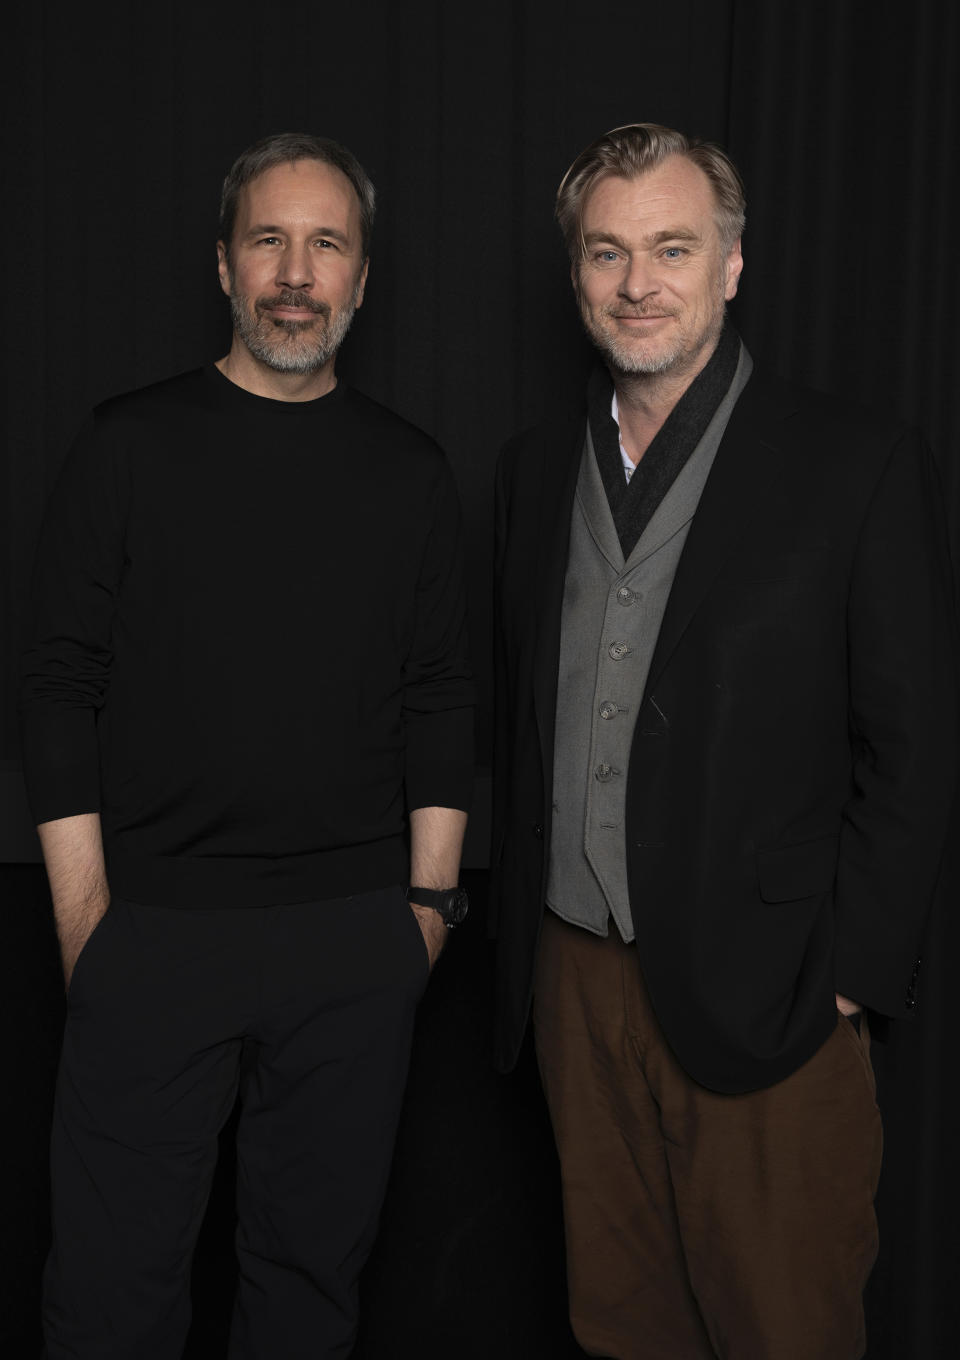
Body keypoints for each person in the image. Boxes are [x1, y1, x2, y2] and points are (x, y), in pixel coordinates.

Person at [491, 122, 956, 1359]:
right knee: (620, 1323)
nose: (638, 282)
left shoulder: (854, 463)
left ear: (733, 264)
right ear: (577, 273)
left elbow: (913, 744)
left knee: (786, 1323)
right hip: (573, 976)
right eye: (608, 252)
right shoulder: (535, 471)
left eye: (672, 248)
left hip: (774, 988)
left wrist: (852, 972)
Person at [21, 131, 473, 1359]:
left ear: (363, 280)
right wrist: (85, 925)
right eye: (268, 238)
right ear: (223, 265)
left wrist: (425, 912)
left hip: (352, 943)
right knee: (112, 1299)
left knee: (308, 1295)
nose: (295, 270)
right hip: (151, 935)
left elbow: (442, 698)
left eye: (327, 243)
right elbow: (57, 686)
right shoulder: (126, 447)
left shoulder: (411, 474)